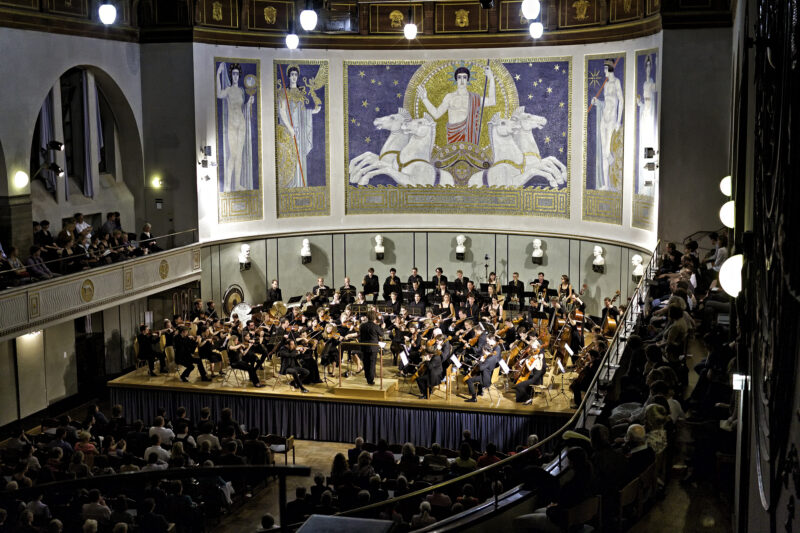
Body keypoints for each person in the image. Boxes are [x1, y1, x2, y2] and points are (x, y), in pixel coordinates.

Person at [417, 64, 496, 145]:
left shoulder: (474, 98)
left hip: (470, 139)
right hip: (453, 137)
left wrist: (491, 79)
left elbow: (492, 101)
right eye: (459, 77)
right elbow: (436, 114)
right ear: (456, 80)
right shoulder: (450, 97)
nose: (462, 80)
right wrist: (424, 99)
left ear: (468, 80)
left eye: (464, 77)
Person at [278, 64, 321, 188]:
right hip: (289, 131)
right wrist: (290, 128)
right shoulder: (283, 92)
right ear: (288, 76)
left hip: (300, 130)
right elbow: (282, 112)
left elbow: (303, 111)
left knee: (300, 157)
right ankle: (290, 186)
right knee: (290, 157)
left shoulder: (300, 93)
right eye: (292, 74)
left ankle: (300, 185)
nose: (294, 77)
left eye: (296, 75)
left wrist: (313, 112)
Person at [217, 61, 255, 192]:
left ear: (239, 76)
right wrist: (218, 74)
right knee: (232, 155)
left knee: (239, 156)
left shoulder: (241, 91)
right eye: (233, 73)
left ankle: (237, 184)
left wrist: (249, 102)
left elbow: (243, 108)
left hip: (242, 124)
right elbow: (218, 94)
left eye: (237, 74)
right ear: (231, 75)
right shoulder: (228, 90)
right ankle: (227, 185)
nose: (235, 76)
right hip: (232, 125)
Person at [591, 59, 625, 191]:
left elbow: (621, 101)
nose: (604, 71)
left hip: (612, 120)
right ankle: (606, 184)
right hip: (603, 120)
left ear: (610, 69)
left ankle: (615, 181)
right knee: (603, 153)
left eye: (605, 69)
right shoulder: (605, 85)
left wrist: (618, 121)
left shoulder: (616, 82)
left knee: (607, 151)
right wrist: (597, 102)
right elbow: (606, 103)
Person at [359, 310, 385, 385]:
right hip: (373, 348)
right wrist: (382, 328)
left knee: (366, 363)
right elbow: (381, 334)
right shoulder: (376, 326)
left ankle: (367, 378)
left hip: (364, 347)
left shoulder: (362, 325)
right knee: (372, 363)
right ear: (374, 317)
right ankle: (370, 380)